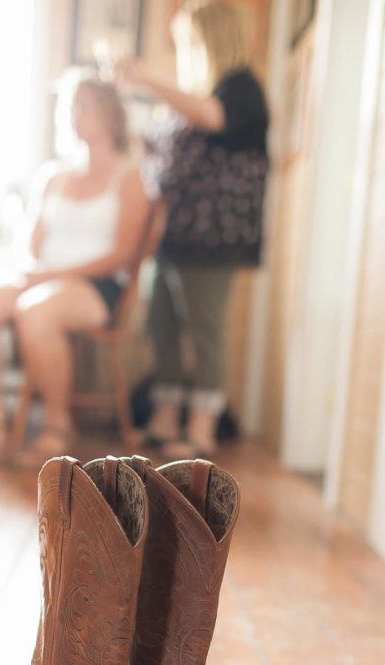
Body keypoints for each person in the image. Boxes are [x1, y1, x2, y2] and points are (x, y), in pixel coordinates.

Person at [0, 72, 149, 464]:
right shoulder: (53, 177)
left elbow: (124, 256)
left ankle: (58, 424)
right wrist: (31, 269)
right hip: (41, 278)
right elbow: (30, 243)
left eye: (86, 107)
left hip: (96, 285)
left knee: (37, 309)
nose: (77, 116)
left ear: (110, 114)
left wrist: (52, 276)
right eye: (71, 109)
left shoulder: (130, 180)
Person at [115, 0, 269, 459]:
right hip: (173, 237)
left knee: (204, 331)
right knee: (160, 325)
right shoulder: (196, 93)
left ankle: (201, 427)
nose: (182, 50)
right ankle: (165, 418)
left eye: (187, 42)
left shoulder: (241, 89)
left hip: (212, 241)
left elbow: (213, 118)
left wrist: (148, 81)